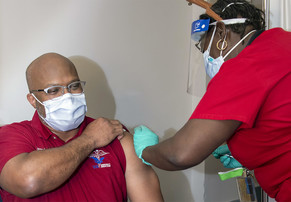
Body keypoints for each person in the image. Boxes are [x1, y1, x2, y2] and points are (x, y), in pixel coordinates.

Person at [132, 0, 291, 201]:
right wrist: (244, 149)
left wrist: (145, 151)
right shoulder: (282, 42)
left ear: (221, 33)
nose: (206, 56)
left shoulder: (243, 67)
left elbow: (180, 154)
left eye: (205, 47)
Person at [0, 53, 164, 201]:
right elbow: (27, 182)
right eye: (54, 90)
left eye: (73, 86)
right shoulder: (13, 136)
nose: (68, 97)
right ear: (33, 100)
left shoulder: (116, 136)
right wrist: (90, 139)